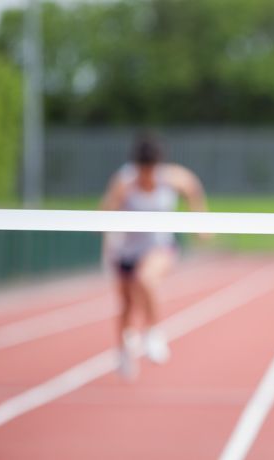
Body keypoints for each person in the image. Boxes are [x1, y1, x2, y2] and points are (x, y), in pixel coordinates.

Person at [101, 134, 208, 380]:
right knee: (126, 306)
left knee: (146, 278)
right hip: (127, 251)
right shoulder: (124, 181)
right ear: (136, 166)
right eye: (143, 170)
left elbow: (192, 187)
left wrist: (200, 221)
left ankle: (154, 332)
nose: (147, 176)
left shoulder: (171, 177)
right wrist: (108, 234)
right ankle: (123, 353)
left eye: (151, 170)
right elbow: (104, 214)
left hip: (160, 248)